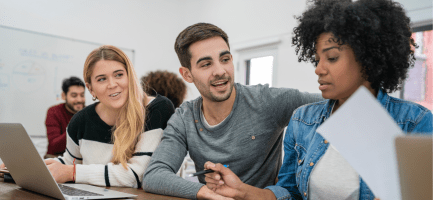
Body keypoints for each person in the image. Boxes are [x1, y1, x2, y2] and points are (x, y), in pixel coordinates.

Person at [203, 0, 433, 199]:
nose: (319, 69)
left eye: (332, 58)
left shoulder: (414, 123)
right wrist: (240, 191)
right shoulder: (303, 120)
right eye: (316, 60)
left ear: (368, 59)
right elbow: (289, 193)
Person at [142, 23, 323, 199]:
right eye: (206, 64)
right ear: (187, 74)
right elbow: (155, 175)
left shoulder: (267, 101)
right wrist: (205, 192)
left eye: (225, 59)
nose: (220, 71)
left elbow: (336, 101)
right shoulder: (184, 118)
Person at [43, 45, 165, 188]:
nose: (112, 84)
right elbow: (71, 163)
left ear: (130, 76)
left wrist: (73, 173)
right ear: (91, 89)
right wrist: (38, 167)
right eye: (101, 79)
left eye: (119, 74)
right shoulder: (80, 120)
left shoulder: (156, 109)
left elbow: (138, 175)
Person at [44, 76, 85, 159]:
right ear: (63, 96)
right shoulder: (54, 112)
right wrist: (76, 125)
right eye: (74, 96)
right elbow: (54, 146)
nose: (79, 100)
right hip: (56, 157)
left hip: (81, 160)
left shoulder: (89, 112)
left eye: (82, 95)